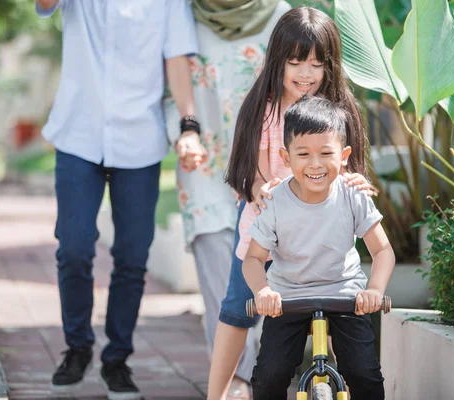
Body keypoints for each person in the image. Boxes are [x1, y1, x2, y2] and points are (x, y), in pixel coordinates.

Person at [34, 1, 206, 399]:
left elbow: (176, 58)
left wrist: (188, 126)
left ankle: (117, 360)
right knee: (74, 247)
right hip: (78, 133)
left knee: (132, 255)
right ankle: (77, 347)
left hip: (140, 139)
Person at [208, 7, 377, 399]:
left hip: (324, 228)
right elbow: (244, 172)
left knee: (343, 308)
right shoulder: (261, 109)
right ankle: (214, 394)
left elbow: (354, 170)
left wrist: (357, 181)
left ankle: (351, 388)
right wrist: (260, 190)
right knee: (238, 308)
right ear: (278, 61)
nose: (305, 73)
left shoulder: (339, 110)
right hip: (264, 223)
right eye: (295, 62)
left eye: (317, 64)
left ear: (330, 66)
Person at [163, 1, 291, 398]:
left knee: (261, 276)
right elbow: (171, 78)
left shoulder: (277, 14)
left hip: (267, 164)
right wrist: (184, 132)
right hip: (205, 159)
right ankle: (234, 381)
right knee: (220, 279)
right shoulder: (182, 12)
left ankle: (258, 377)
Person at [244, 96, 395, 399]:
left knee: (364, 374)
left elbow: (382, 251)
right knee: (268, 378)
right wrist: (263, 292)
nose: (315, 164)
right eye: (303, 154)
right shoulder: (275, 202)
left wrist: (375, 291)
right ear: (286, 158)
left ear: (344, 155)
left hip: (345, 296)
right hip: (288, 298)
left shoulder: (353, 194)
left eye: (326, 153)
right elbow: (253, 258)